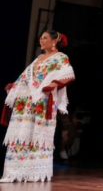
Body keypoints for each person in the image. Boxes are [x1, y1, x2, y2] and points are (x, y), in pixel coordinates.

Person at [1, 30, 75, 182]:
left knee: (37, 134)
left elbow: (68, 74)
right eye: (41, 38)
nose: (41, 40)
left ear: (54, 41)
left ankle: (34, 173)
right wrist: (14, 86)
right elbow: (25, 77)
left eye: (45, 38)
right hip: (26, 102)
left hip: (43, 101)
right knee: (21, 133)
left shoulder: (61, 57)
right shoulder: (38, 58)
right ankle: (13, 173)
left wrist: (54, 84)